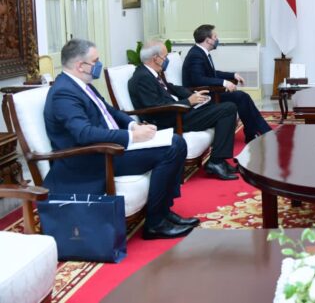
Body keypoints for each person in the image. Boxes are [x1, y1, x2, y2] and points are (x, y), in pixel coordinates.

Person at [44, 39, 196, 240]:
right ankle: (155, 224)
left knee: (175, 142)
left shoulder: (82, 85)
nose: (99, 65)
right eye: (96, 60)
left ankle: (164, 211)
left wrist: (132, 125)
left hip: (109, 147)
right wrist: (131, 136)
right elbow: (84, 133)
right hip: (94, 158)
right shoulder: (64, 93)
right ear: (80, 66)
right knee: (171, 149)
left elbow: (110, 111)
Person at [128, 40, 239, 180]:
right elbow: (154, 107)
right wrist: (188, 102)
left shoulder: (151, 73)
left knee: (223, 109)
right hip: (170, 120)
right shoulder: (141, 78)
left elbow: (171, 88)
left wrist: (192, 96)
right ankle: (216, 162)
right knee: (228, 108)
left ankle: (218, 160)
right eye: (165, 56)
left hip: (178, 113)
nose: (166, 60)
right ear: (156, 58)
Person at [182, 24, 271, 143]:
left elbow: (212, 73)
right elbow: (199, 79)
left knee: (242, 97)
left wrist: (232, 75)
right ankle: (262, 132)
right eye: (215, 36)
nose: (217, 39)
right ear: (208, 40)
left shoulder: (200, 52)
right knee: (241, 97)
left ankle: (255, 133)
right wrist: (224, 83)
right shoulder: (195, 55)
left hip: (211, 93)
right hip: (202, 98)